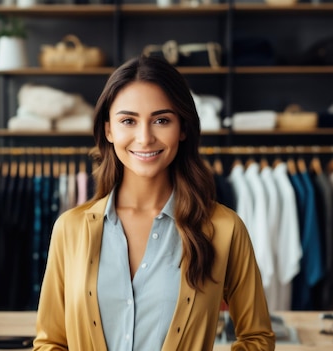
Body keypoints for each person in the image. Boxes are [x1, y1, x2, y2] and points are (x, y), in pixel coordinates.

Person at [33, 55, 275, 350]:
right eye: (128, 121)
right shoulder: (70, 229)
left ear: (182, 128)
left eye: (161, 120)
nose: (145, 137)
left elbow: (258, 339)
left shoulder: (224, 229)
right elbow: (50, 342)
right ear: (109, 130)